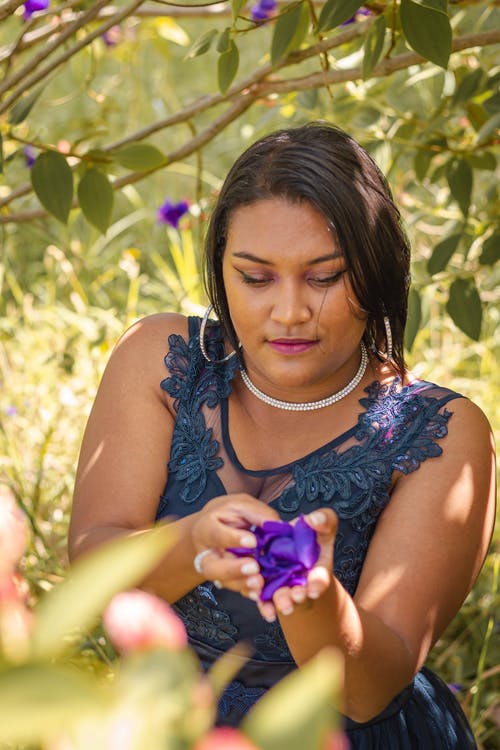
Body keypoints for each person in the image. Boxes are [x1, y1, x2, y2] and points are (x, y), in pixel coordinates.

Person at [69, 123, 496, 747]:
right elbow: (91, 572)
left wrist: (307, 595)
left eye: (324, 277)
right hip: (163, 720)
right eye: (256, 277)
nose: (289, 311)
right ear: (220, 267)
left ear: (375, 272)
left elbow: (369, 687)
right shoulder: (161, 363)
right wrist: (195, 538)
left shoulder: (442, 435)